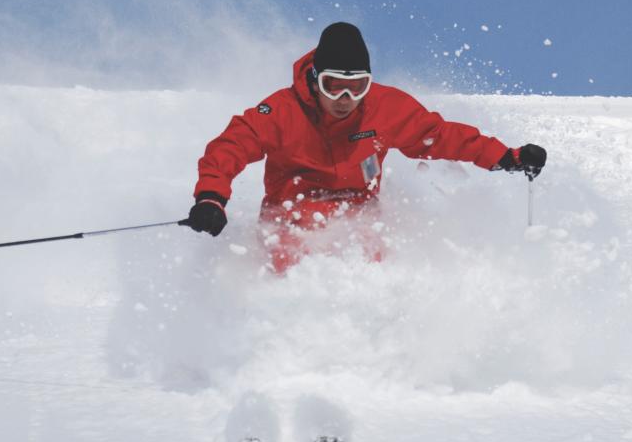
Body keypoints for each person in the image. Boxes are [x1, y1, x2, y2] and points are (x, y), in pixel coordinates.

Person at [179, 22, 547, 271]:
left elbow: (441, 136)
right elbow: (230, 146)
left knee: (370, 260)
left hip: (360, 212)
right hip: (290, 214)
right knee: (294, 260)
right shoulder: (282, 111)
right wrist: (211, 197)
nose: (344, 98)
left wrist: (506, 157)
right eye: (333, 85)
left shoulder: (385, 109)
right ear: (314, 79)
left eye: (356, 87)